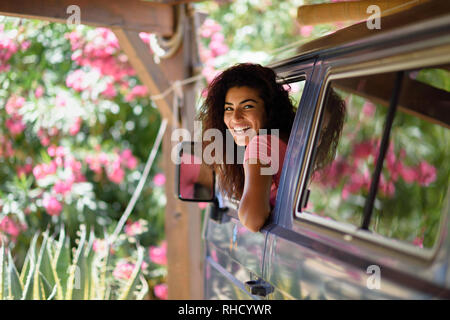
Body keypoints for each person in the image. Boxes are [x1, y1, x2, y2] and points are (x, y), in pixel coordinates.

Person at [198, 63, 295, 232]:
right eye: (229, 108)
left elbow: (252, 220)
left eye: (248, 106)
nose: (235, 117)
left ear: (269, 110)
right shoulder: (282, 141)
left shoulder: (261, 145)